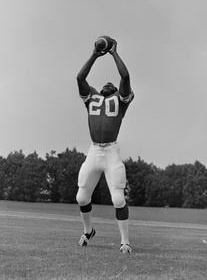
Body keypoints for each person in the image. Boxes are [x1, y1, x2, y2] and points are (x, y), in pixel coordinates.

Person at [76, 37, 134, 253]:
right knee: (81, 196)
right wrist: (94, 54)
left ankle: (125, 242)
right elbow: (80, 77)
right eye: (105, 84)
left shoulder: (120, 100)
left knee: (118, 198)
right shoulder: (93, 98)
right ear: (100, 90)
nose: (109, 84)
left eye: (113, 85)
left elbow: (125, 76)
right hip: (94, 149)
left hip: (110, 151)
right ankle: (88, 230)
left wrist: (113, 52)